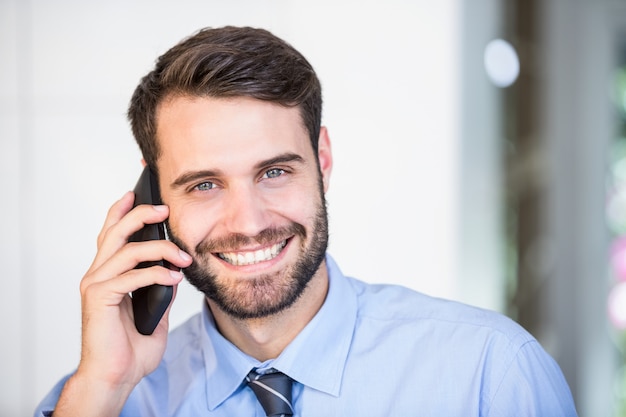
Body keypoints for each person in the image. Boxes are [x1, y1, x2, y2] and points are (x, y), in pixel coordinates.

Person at [35, 26, 578, 416]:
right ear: (152, 196)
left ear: (322, 160)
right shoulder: (106, 398)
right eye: (204, 184)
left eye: (273, 172)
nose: (247, 222)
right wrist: (102, 389)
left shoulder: (490, 375)